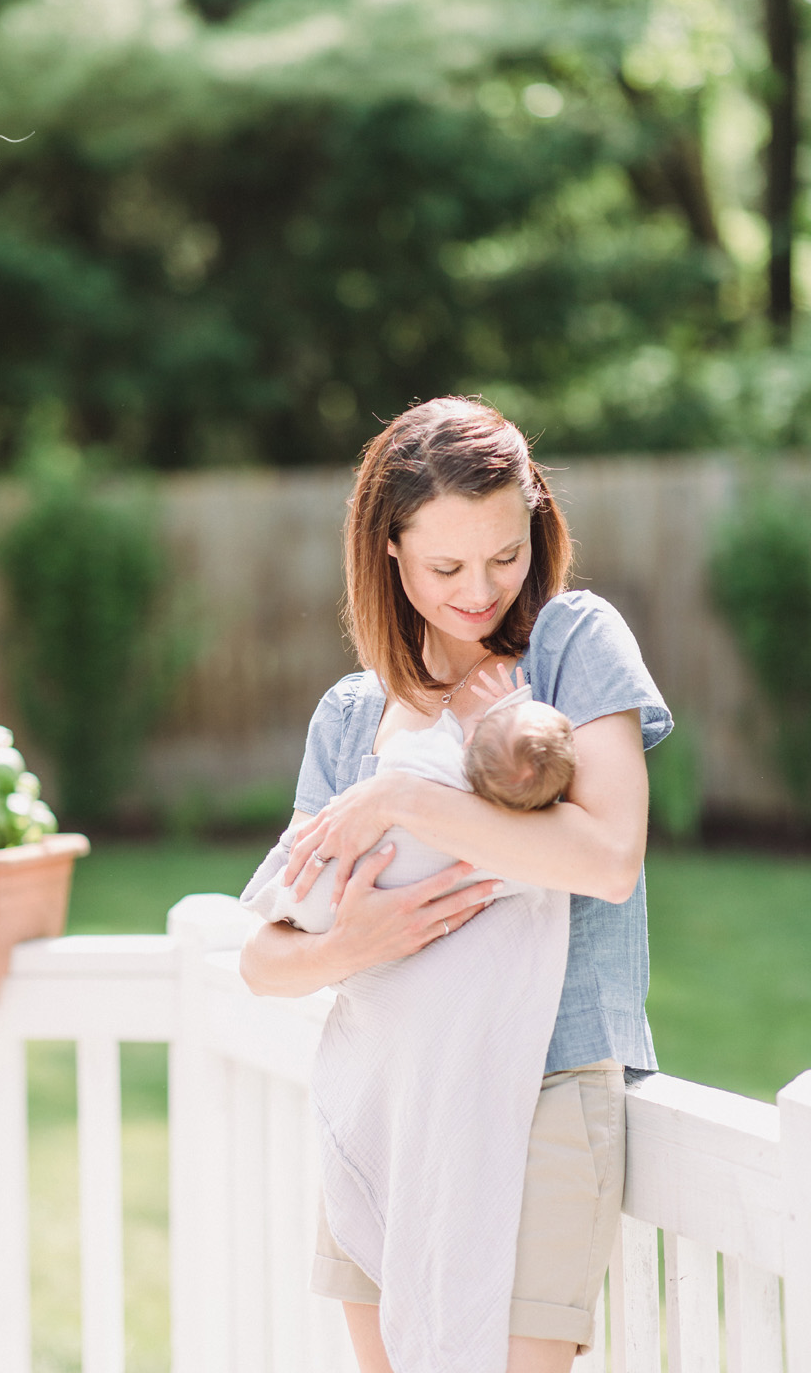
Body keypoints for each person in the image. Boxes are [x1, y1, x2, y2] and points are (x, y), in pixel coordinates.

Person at [239, 395, 672, 1373]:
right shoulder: (351, 715)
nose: (481, 589)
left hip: (548, 1084)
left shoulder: (568, 645)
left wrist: (405, 800)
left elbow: (606, 855)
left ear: (536, 523)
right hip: (387, 1092)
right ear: (387, 548)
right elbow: (266, 956)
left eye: (505, 555)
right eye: (445, 566)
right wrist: (358, 943)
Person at [240, 666, 576, 934]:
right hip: (374, 918)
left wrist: (510, 704)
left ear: (472, 738)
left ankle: (270, 897)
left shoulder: (442, 762)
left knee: (300, 862)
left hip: (342, 891)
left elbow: (399, 758)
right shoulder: (508, 831)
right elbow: (518, 749)